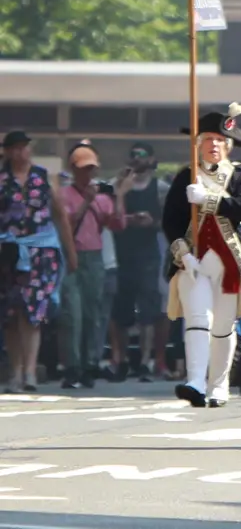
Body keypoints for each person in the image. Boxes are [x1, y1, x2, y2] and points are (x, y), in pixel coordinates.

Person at [163, 105, 241, 408]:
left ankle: (219, 386)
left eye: (220, 140)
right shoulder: (186, 177)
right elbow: (170, 221)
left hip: (229, 263)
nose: (214, 145)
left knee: (222, 326)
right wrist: (183, 253)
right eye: (208, 139)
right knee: (197, 320)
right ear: (198, 143)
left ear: (228, 145)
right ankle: (194, 380)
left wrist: (209, 199)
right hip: (194, 262)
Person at [2, 132, 77, 393]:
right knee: (12, 314)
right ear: (8, 151)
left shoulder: (43, 177)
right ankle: (16, 371)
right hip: (9, 253)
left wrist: (71, 252)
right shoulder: (2, 180)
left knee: (33, 311)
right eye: (16, 148)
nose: (21, 152)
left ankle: (30, 372)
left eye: (25, 147)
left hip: (41, 251)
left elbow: (60, 215)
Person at [58, 143, 122, 388]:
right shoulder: (65, 195)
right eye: (84, 169)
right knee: (72, 313)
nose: (88, 174)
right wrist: (86, 202)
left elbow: (116, 224)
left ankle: (90, 363)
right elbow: (67, 224)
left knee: (93, 313)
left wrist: (120, 196)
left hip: (95, 257)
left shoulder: (101, 196)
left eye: (91, 169)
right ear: (73, 170)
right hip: (71, 255)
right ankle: (72, 365)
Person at [108, 143, 167, 382]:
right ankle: (119, 359)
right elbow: (112, 217)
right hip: (122, 253)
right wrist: (121, 192)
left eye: (141, 155)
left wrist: (151, 222)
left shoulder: (160, 187)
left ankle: (146, 360)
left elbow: (169, 220)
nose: (137, 160)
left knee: (148, 310)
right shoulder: (117, 184)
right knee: (120, 310)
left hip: (149, 253)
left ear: (151, 159)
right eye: (133, 155)